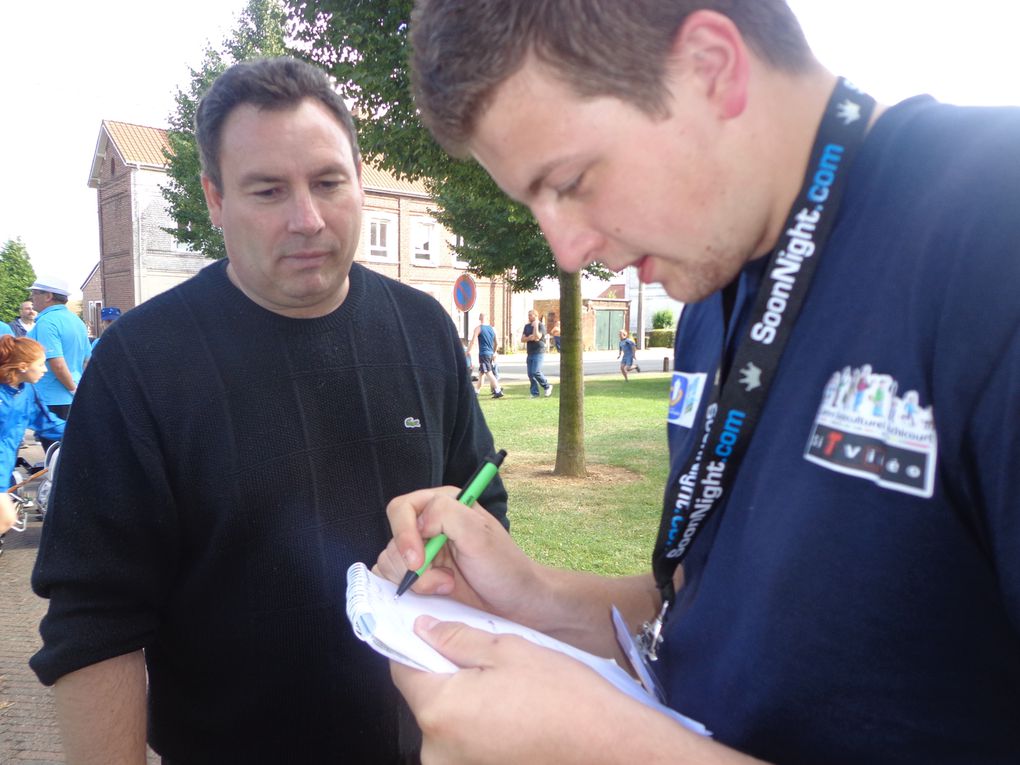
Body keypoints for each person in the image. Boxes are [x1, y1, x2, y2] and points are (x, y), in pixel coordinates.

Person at [373, 1, 1020, 763]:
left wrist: (611, 749)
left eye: (573, 181)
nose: (569, 251)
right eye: (533, 203)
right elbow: (714, 615)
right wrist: (533, 595)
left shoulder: (996, 228)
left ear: (712, 69)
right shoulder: (709, 289)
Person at [30, 56, 507, 764]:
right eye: (268, 190)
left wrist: (462, 552)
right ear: (215, 199)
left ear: (360, 183)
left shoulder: (423, 327)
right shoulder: (141, 362)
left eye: (327, 182)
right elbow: (95, 621)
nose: (307, 219)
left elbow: (484, 505)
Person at [0, 335, 65, 534]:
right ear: (22, 366)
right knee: (5, 519)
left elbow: (47, 423)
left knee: (5, 520)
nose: (45, 369)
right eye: (40, 364)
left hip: (4, 470)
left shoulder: (26, 391)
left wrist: (86, 429)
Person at [27, 277, 90, 452]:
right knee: (70, 452)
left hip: (52, 399)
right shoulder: (77, 321)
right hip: (71, 397)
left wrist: (71, 388)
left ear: (48, 296)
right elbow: (87, 360)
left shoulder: (47, 322)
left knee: (55, 456)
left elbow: (57, 362)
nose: (32, 298)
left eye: (35, 293)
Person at [466, 313, 504, 398]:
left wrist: (467, 351)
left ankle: (498, 390)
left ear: (480, 318)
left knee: (488, 372)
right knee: (481, 374)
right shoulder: (492, 329)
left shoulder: (478, 328)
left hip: (484, 354)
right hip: (490, 354)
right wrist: (494, 353)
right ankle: (476, 392)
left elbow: (473, 341)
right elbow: (497, 343)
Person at [521, 309, 552, 398]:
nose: (529, 317)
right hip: (530, 352)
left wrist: (535, 327)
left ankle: (547, 386)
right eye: (528, 315)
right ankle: (534, 393)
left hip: (539, 352)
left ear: (535, 315)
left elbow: (538, 336)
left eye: (530, 315)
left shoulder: (541, 326)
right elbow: (522, 339)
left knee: (535, 371)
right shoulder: (527, 326)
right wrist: (530, 338)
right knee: (530, 374)